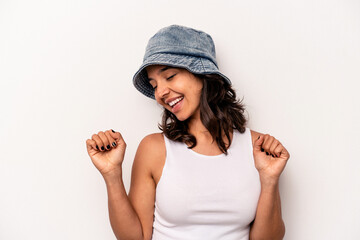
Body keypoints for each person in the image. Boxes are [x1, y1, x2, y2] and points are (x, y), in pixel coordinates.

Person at [85, 25, 290, 240]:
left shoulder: (257, 147)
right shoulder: (154, 149)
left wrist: (269, 180)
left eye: (170, 76)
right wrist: (112, 175)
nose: (160, 93)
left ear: (202, 74)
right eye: (154, 85)